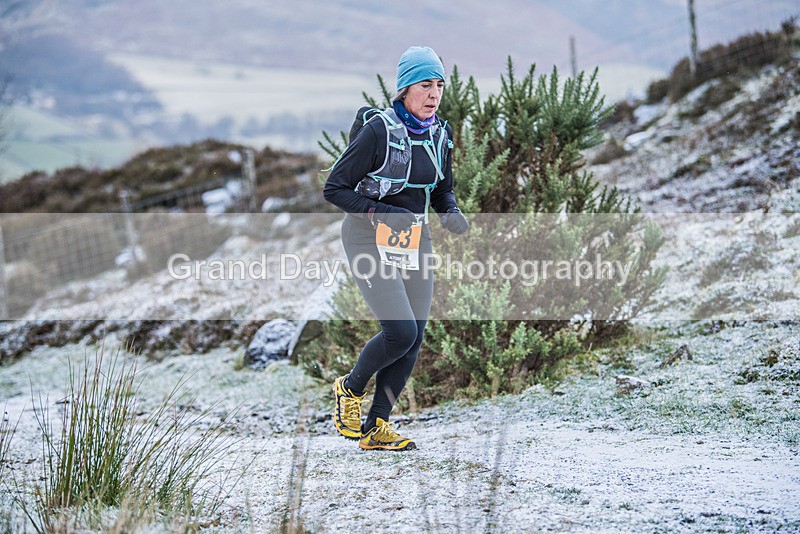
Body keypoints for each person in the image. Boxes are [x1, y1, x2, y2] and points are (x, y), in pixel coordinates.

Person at [323, 45, 469, 451]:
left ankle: (376, 428)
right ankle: (349, 390)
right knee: (399, 330)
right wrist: (380, 212)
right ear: (405, 89)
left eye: (439, 84)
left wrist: (451, 212)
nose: (434, 93)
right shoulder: (379, 132)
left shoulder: (441, 133)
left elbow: (442, 189)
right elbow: (334, 188)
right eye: (425, 84)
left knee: (414, 336)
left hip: (414, 239)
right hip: (366, 236)